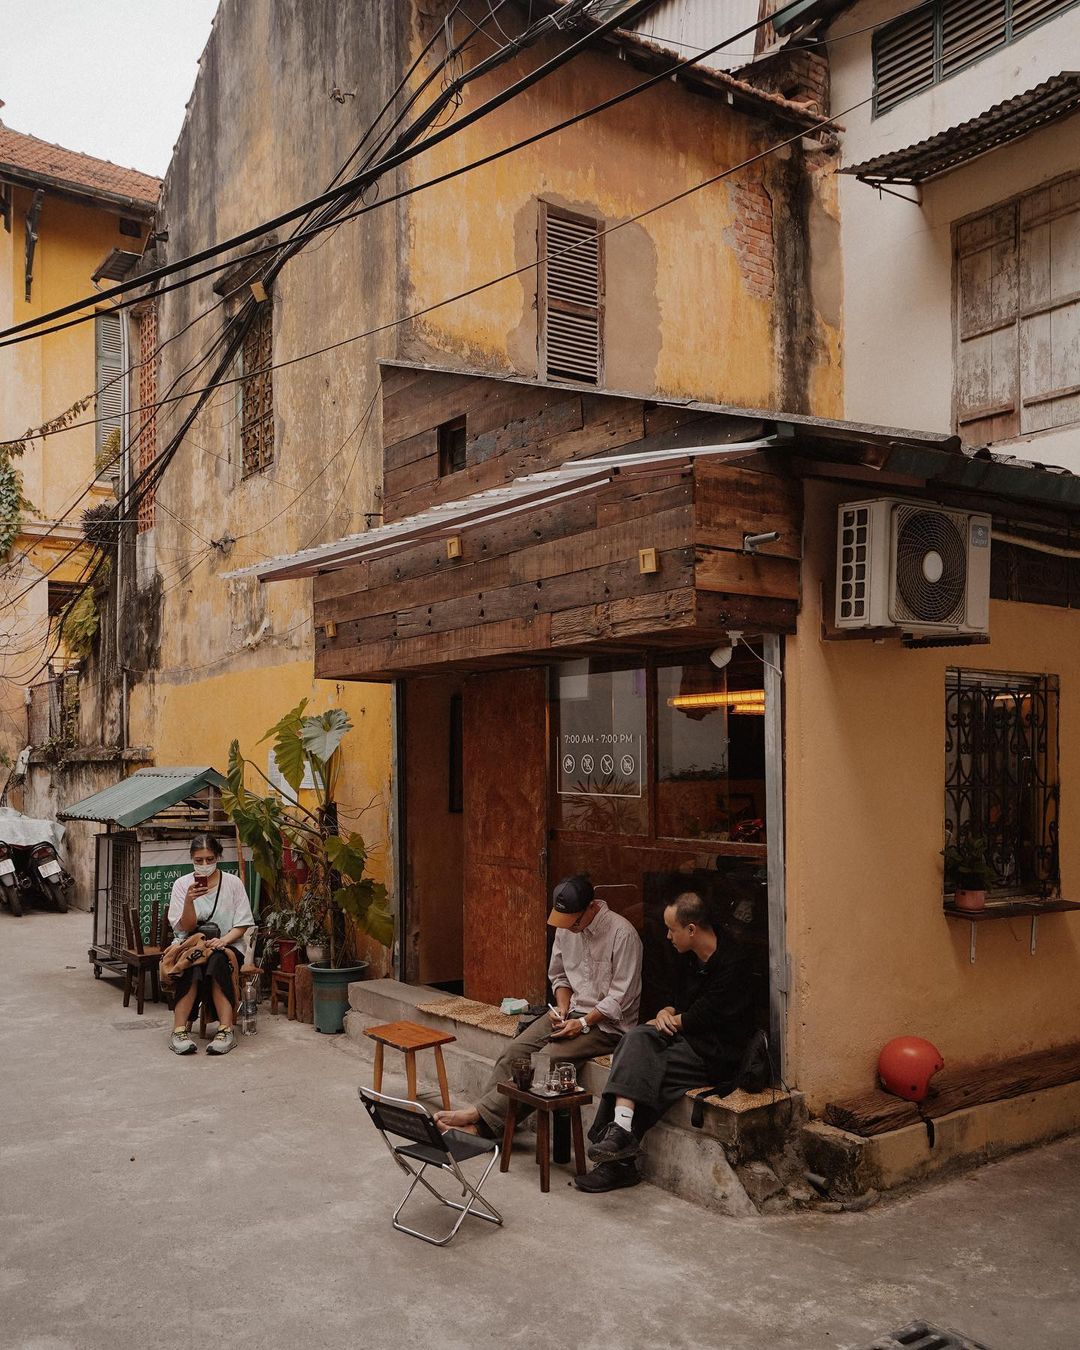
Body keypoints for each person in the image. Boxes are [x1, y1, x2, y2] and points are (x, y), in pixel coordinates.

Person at [574, 889, 756, 1193]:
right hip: (682, 1039)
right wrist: (665, 1011)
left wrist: (670, 1020)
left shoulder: (733, 963)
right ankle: (620, 1135)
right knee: (636, 1045)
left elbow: (703, 1016)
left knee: (640, 1066)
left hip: (715, 1054)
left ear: (691, 929)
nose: (668, 936)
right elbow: (676, 1001)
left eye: (672, 929)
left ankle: (618, 1157)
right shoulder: (688, 956)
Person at [434, 875, 642, 1137]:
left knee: (546, 1060)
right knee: (515, 1052)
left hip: (607, 1025)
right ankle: (489, 1122)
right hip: (572, 1011)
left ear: (591, 907)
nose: (570, 928)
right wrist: (562, 1008)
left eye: (575, 922)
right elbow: (560, 976)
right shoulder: (566, 927)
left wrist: (582, 1022)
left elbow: (621, 998)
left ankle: (478, 1119)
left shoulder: (622, 934)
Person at [166, 833, 254, 1057]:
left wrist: (223, 941)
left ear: (218, 857)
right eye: (199, 860)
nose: (205, 864)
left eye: (209, 859)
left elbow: (242, 924)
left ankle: (226, 1030)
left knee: (217, 960)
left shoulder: (233, 883)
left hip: (228, 944)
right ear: (191, 859)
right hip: (191, 944)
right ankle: (179, 1030)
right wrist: (189, 901)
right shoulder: (182, 885)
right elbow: (186, 926)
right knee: (192, 962)